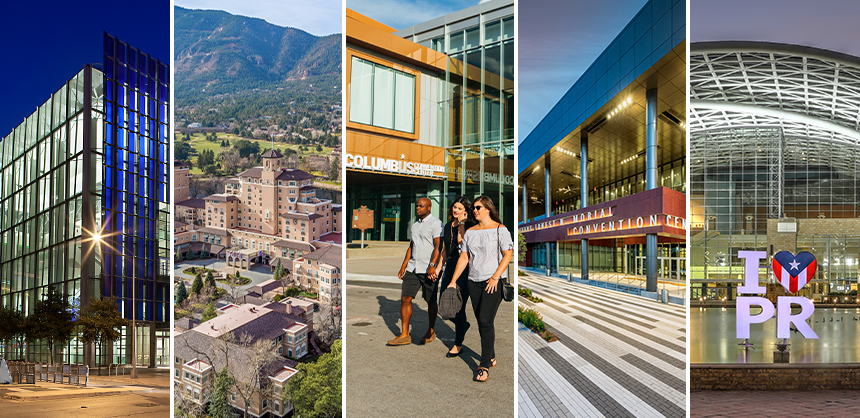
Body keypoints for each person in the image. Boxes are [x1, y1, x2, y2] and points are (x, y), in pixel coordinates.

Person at [447, 195, 513, 382]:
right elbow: (464, 258)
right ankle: (491, 355)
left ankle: (483, 365)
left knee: (485, 320)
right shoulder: (471, 232)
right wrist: (453, 281)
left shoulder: (501, 230)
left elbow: (508, 255)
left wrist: (495, 277)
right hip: (473, 281)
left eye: (478, 207)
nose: (474, 210)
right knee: (483, 321)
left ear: (488, 209)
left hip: (493, 282)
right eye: (473, 208)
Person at [388, 197, 443, 346]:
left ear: (429, 208)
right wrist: (404, 265)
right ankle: (405, 334)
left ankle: (431, 331)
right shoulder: (415, 226)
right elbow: (411, 246)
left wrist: (433, 264)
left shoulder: (436, 223)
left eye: (421, 206)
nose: (417, 208)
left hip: (428, 269)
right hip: (413, 267)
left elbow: (438, 246)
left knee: (430, 301)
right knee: (405, 298)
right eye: (417, 205)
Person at [434, 196, 475, 358]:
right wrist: (438, 269)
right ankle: (463, 325)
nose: (455, 210)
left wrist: (463, 223)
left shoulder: (470, 225)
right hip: (450, 266)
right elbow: (445, 250)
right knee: (443, 305)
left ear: (466, 211)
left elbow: (461, 241)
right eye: (454, 207)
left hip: (464, 269)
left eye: (459, 208)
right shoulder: (447, 225)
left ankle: (458, 343)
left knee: (458, 306)